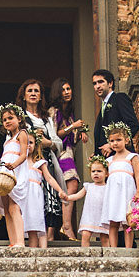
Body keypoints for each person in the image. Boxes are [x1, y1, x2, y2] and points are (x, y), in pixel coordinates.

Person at [16, 79, 64, 241]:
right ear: (23, 95)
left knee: (49, 196)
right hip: (27, 163)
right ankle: (28, 236)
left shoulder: (47, 119)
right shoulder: (20, 117)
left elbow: (58, 141)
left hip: (46, 160)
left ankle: (48, 236)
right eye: (30, 91)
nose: (33, 94)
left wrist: (47, 143)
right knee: (31, 197)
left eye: (37, 91)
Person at [49, 78, 88, 241]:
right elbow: (55, 135)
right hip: (59, 154)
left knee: (68, 187)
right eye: (64, 90)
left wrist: (80, 135)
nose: (67, 92)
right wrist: (74, 126)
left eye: (69, 89)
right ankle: (66, 226)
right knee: (71, 183)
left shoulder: (69, 114)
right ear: (58, 92)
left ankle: (64, 226)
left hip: (69, 152)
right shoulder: (53, 111)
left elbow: (70, 138)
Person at [0, 103, 31, 247]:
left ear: (19, 119)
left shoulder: (22, 134)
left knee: (14, 206)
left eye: (10, 118)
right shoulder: (7, 139)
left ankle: (20, 241)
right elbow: (7, 157)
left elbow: (23, 155)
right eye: (5, 119)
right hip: (6, 172)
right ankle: (13, 242)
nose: (7, 121)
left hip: (16, 172)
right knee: (6, 209)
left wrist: (14, 165)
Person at [99, 122, 139, 249]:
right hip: (113, 194)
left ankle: (128, 249)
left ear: (127, 140)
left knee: (127, 221)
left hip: (127, 192)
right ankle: (113, 249)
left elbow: (138, 175)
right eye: (112, 141)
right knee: (113, 221)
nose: (115, 143)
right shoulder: (109, 160)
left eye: (118, 140)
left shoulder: (132, 157)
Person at [24, 133, 67, 248]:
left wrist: (59, 190)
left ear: (36, 145)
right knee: (29, 226)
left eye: (31, 143)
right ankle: (32, 252)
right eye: (25, 142)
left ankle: (43, 251)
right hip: (24, 195)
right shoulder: (20, 163)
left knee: (38, 222)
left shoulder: (39, 162)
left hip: (35, 195)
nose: (28, 145)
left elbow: (49, 178)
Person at [61, 154, 110, 248]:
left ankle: (107, 255)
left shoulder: (108, 187)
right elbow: (77, 195)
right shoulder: (88, 186)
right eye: (93, 171)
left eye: (99, 171)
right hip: (89, 216)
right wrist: (67, 198)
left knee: (104, 237)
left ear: (106, 173)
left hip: (102, 215)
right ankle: (85, 253)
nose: (96, 173)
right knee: (85, 235)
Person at [91, 69, 139, 157]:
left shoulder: (119, 98)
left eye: (101, 82)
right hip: (107, 162)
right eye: (95, 83)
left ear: (110, 83)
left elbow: (133, 125)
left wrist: (111, 145)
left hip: (121, 158)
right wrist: (96, 155)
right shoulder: (102, 109)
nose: (97, 86)